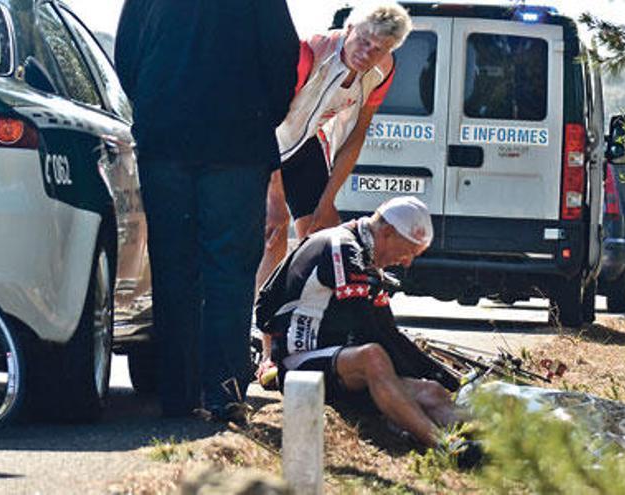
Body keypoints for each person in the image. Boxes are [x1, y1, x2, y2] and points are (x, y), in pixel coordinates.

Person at [114, 1, 299, 420]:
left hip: (166, 139)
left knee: (173, 269)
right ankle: (225, 392)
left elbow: (127, 55)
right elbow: (282, 57)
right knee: (230, 273)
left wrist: (152, 104)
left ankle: (177, 396)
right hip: (238, 142)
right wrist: (260, 116)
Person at [254, 197, 460, 447]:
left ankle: (494, 439)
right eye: (408, 251)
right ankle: (445, 446)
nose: (407, 262)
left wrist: (449, 381)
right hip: (298, 363)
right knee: (372, 355)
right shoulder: (342, 248)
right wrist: (270, 354)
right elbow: (368, 330)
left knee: (433, 391)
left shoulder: (366, 252)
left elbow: (388, 331)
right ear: (387, 232)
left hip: (339, 363)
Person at [254, 2, 413, 293]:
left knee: (325, 233)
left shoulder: (383, 69)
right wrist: (275, 197)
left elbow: (357, 134)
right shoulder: (309, 53)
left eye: (379, 49)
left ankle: (314, 319)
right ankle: (261, 324)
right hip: (266, 143)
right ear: (349, 28)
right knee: (275, 230)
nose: (367, 53)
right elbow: (265, 124)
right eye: (363, 41)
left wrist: (327, 201)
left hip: (306, 143)